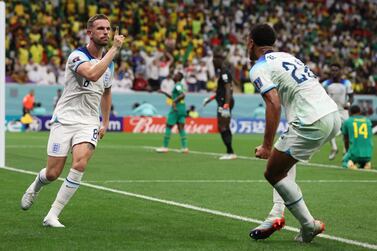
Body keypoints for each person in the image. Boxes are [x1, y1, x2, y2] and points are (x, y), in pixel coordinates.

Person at [20, 14, 125, 227]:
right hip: (65, 119)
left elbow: (106, 92)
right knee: (53, 173)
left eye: (108, 28)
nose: (106, 32)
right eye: (101, 29)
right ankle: (36, 185)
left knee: (80, 162)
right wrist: (114, 50)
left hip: (88, 122)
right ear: (90, 33)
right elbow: (93, 74)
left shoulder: (109, 64)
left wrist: (104, 122)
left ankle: (52, 215)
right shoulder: (77, 56)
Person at [247, 24, 340, 243]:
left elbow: (273, 103)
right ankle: (276, 214)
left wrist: (266, 145)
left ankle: (309, 226)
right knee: (285, 159)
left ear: (251, 43)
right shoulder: (287, 57)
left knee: (272, 172)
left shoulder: (258, 68)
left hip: (311, 120)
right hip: (332, 114)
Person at [203, 53, 236, 160]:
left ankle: (230, 152)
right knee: (223, 126)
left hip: (224, 103)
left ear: (219, 60)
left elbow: (228, 89)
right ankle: (229, 151)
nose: (213, 63)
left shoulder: (224, 72)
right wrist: (210, 99)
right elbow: (221, 91)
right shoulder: (222, 72)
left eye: (213, 61)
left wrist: (226, 105)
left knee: (222, 126)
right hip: (223, 101)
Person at [322, 62, 354, 160]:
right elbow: (322, 97)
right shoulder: (325, 84)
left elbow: (352, 96)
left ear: (340, 71)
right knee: (329, 130)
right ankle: (334, 148)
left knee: (347, 132)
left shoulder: (346, 83)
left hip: (343, 111)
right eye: (332, 70)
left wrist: (349, 103)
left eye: (336, 70)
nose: (334, 72)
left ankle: (345, 150)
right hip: (331, 110)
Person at [156, 72, 188, 153]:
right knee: (181, 128)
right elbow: (173, 96)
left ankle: (165, 147)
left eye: (175, 75)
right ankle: (185, 148)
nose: (173, 76)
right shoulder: (179, 85)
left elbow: (182, 95)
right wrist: (163, 92)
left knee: (168, 126)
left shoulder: (178, 85)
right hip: (182, 108)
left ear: (178, 78)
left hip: (176, 108)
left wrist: (174, 102)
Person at [341, 105, 373, 169]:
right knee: (362, 161)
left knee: (344, 160)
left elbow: (346, 140)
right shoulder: (367, 121)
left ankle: (350, 164)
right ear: (360, 112)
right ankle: (366, 163)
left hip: (354, 153)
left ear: (350, 112)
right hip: (368, 154)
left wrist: (347, 152)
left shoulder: (348, 121)